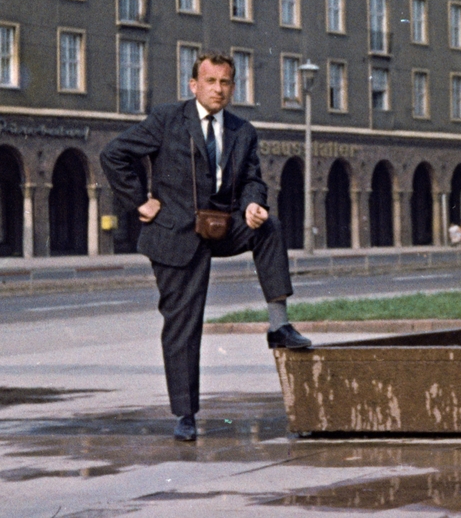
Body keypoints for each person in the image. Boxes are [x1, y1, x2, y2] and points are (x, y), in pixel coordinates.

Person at [99, 53, 311, 442]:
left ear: (233, 87)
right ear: (194, 85)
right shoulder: (167, 119)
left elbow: (253, 179)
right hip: (176, 233)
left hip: (224, 224)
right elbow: (114, 154)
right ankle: (185, 415)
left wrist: (252, 203)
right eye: (210, 81)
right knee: (183, 324)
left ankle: (279, 325)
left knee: (270, 226)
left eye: (226, 82)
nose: (218, 89)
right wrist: (140, 201)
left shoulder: (243, 131)